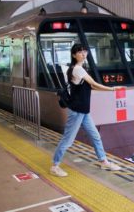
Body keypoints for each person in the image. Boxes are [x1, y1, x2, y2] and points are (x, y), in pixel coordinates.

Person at [50, 43, 124, 177]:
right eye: (80, 52)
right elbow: (94, 84)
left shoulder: (79, 68)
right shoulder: (78, 69)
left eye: (85, 51)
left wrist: (107, 89)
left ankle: (103, 161)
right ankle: (55, 166)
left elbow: (91, 87)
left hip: (83, 111)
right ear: (74, 55)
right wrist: (113, 89)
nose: (83, 54)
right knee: (68, 140)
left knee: (95, 136)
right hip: (77, 111)